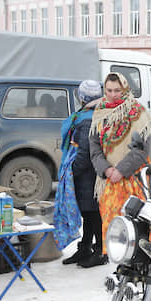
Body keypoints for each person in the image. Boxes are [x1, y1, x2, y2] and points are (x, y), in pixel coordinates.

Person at [90, 72, 151, 260]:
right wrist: (106, 168)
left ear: (125, 89)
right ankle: (121, 266)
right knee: (116, 229)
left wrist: (121, 170)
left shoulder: (138, 113)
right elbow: (94, 148)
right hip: (109, 181)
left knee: (141, 227)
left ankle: (144, 265)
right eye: (109, 90)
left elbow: (142, 149)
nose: (113, 94)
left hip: (136, 181)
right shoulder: (99, 113)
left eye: (117, 90)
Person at [57, 79, 105, 268]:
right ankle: (85, 248)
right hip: (91, 173)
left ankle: (100, 252)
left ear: (82, 97)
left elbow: (84, 153)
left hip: (89, 175)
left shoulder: (87, 120)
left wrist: (71, 172)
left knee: (94, 214)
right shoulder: (90, 115)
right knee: (89, 213)